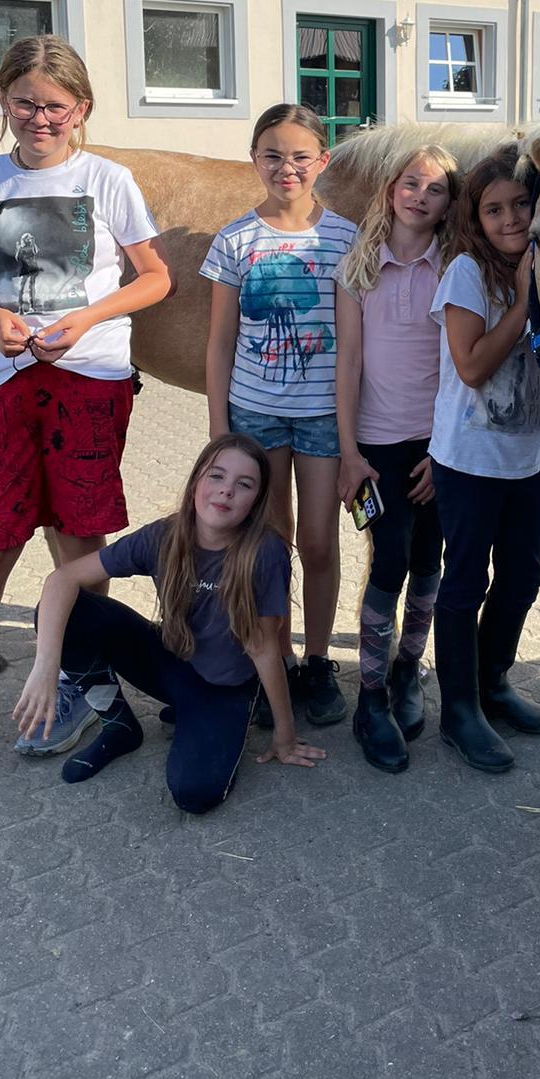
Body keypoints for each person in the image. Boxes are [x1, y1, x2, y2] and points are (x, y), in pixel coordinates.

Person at [0, 36, 172, 773]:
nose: (39, 117)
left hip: (91, 382)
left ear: (80, 109)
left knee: (79, 544)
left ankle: (83, 683)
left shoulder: (108, 180)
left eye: (55, 105)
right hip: (6, 385)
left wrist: (87, 318)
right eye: (25, 103)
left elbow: (155, 278)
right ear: (3, 102)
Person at [13, 435, 323, 811]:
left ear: (256, 502)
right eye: (216, 476)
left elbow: (264, 648)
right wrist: (45, 668)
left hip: (222, 689)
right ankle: (119, 726)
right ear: (195, 483)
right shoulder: (164, 535)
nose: (226, 491)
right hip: (170, 659)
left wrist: (285, 734)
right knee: (67, 612)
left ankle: (205, 720)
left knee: (194, 794)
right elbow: (62, 579)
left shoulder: (266, 553)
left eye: (244, 485)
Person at [202, 104, 356, 727]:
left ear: (322, 161)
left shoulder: (345, 238)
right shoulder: (235, 239)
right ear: (254, 160)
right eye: (272, 155)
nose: (286, 168)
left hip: (321, 418)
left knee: (318, 542)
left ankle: (317, 660)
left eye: (300, 156)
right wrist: (220, 432)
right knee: (268, 544)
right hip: (255, 417)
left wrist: (350, 434)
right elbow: (219, 342)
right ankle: (277, 659)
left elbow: (351, 348)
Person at [428, 147, 540, 773]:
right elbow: (472, 366)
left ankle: (493, 683)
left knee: (523, 576)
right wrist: (523, 301)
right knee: (464, 582)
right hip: (469, 459)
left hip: (529, 454)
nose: (510, 218)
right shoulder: (467, 272)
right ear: (475, 218)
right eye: (494, 209)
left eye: (520, 205)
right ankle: (458, 712)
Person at [335, 143, 459, 772]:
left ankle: (408, 668)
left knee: (429, 559)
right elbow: (348, 362)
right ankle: (371, 695)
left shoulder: (454, 268)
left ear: (448, 205)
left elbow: (457, 366)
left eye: (436, 189)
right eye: (411, 183)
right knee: (389, 558)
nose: (420, 196)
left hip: (437, 447)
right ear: (390, 191)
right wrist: (348, 452)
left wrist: (444, 452)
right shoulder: (358, 266)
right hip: (376, 447)